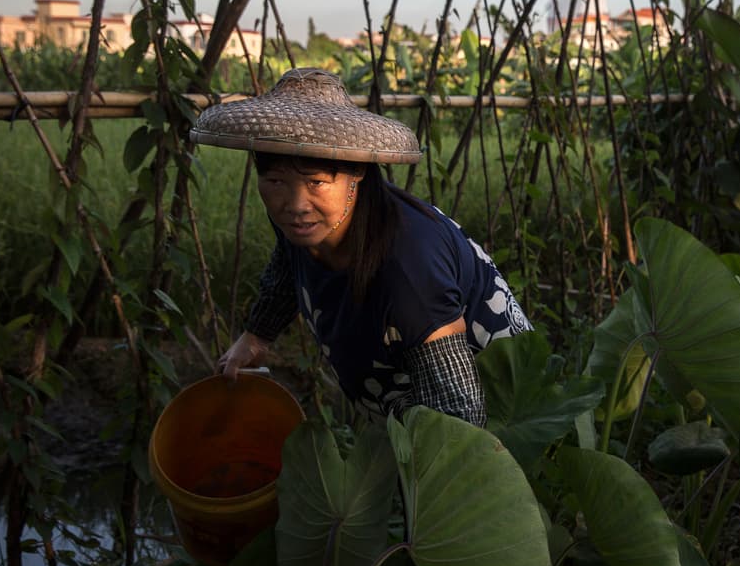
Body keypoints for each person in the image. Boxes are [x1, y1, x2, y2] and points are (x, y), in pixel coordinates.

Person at [191, 66, 532, 427]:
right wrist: (257, 336)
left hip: (493, 421)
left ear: (357, 173)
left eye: (317, 183)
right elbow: (289, 263)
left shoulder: (408, 266)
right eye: (275, 181)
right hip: (401, 412)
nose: (296, 204)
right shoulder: (305, 225)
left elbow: (458, 411)